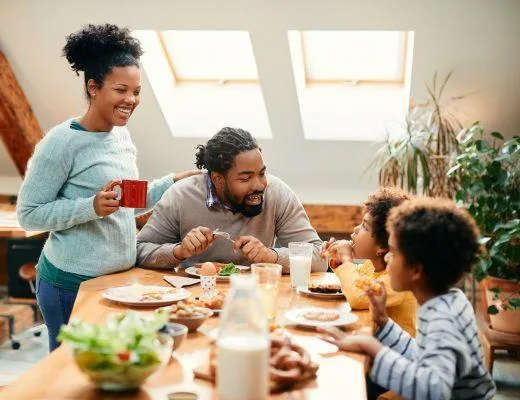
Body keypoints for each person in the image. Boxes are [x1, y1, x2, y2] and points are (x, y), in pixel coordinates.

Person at [17, 24, 197, 351]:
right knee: (71, 374)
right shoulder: (60, 143)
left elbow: (126, 203)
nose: (131, 100)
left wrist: (172, 183)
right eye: (121, 89)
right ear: (94, 87)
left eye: (137, 91)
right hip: (69, 284)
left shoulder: (120, 135)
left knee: (113, 370)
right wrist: (91, 207)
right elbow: (29, 215)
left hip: (118, 282)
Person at [318, 198, 496, 399]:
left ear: (416, 270)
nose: (386, 258)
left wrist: (374, 348)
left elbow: (433, 391)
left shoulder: (443, 318)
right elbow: (421, 356)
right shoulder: (449, 301)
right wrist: (384, 322)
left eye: (393, 252)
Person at [136, 127, 326, 272]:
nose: (259, 185)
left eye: (262, 173)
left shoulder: (277, 193)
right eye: (245, 178)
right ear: (218, 179)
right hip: (195, 299)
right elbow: (139, 251)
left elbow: (320, 256)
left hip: (257, 295)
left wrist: (271, 256)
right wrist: (180, 251)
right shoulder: (180, 196)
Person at [324, 187, 417, 336]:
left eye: (365, 227)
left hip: (395, 353)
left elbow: (357, 296)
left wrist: (347, 260)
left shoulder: (399, 281)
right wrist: (340, 261)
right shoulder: (371, 266)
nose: (355, 229)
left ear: (383, 247)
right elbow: (352, 283)